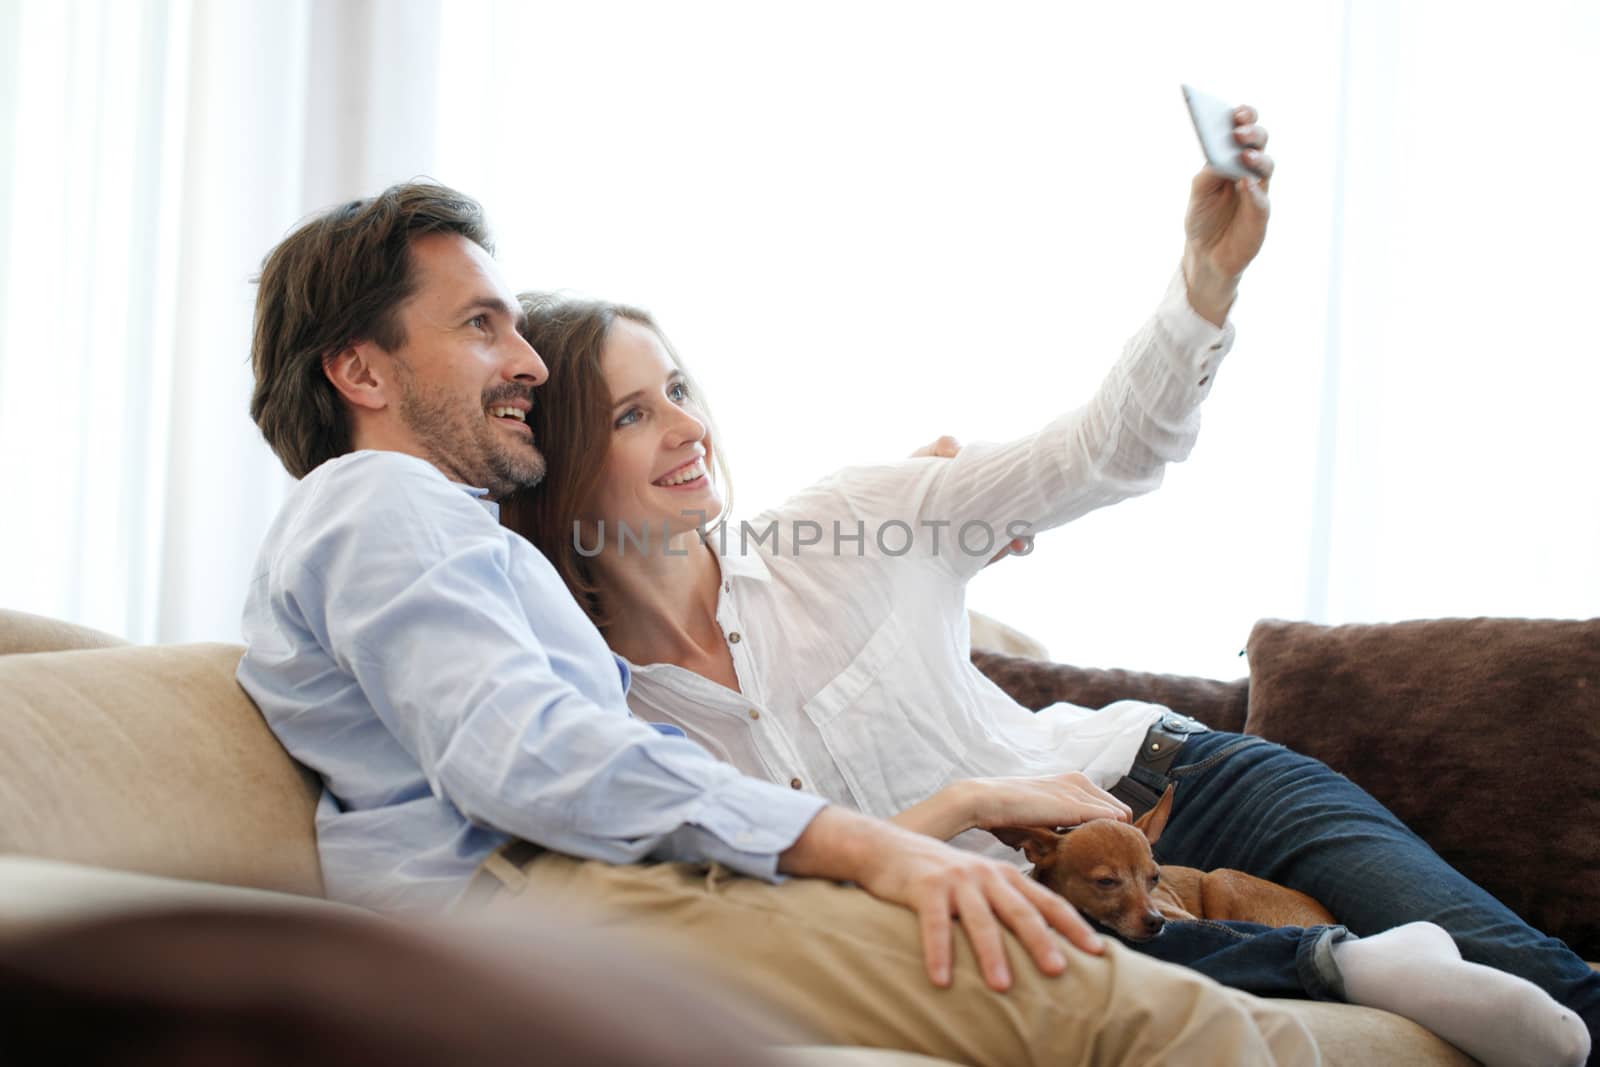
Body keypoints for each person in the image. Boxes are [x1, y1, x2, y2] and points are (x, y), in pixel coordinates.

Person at [501, 108, 1594, 1067]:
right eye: (633, 412)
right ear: (557, 464)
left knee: (1546, 981)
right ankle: (1341, 966)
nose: (691, 427)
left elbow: (1103, 453)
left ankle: (1370, 960)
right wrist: (972, 803)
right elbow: (778, 914)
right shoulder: (610, 719)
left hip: (1167, 776)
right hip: (1049, 903)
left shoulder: (840, 525)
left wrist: (1204, 283)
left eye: (680, 387)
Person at [237, 180, 1318, 1067]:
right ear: (361, 368)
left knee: (1222, 1017)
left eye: (519, 327)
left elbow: (1092, 457)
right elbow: (527, 755)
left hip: (618, 885)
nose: (522, 359)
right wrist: (868, 846)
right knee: (1183, 1025)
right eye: (482, 325)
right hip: (567, 899)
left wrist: (925, 524)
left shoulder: (470, 546)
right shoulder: (379, 500)